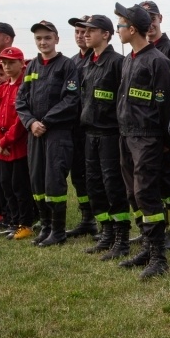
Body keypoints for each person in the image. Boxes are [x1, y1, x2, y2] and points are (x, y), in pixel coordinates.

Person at [113, 2, 170, 279]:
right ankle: (147, 245)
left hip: (148, 139)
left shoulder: (158, 61)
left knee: (147, 195)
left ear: (133, 29)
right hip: (126, 136)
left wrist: (164, 139)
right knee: (133, 194)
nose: (118, 31)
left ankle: (158, 256)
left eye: (120, 26)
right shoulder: (129, 59)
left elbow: (166, 105)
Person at [15, 21, 80, 247]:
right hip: (35, 134)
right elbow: (20, 100)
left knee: (54, 182)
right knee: (37, 180)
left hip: (57, 133)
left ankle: (58, 231)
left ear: (57, 40)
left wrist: (46, 121)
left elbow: (71, 99)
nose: (43, 42)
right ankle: (45, 227)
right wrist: (31, 122)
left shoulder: (66, 66)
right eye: (39, 39)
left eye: (47, 38)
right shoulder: (32, 67)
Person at [76, 15, 132, 261]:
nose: (86, 34)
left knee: (113, 186)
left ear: (107, 34)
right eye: (85, 31)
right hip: (90, 134)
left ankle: (122, 238)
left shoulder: (117, 63)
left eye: (92, 30)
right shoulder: (87, 63)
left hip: (110, 134)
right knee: (94, 185)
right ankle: (106, 232)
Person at [140, 0, 170, 251]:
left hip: (166, 133)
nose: (150, 22)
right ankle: (156, 230)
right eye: (145, 18)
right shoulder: (139, 52)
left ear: (160, 18)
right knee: (152, 184)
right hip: (146, 133)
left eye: (153, 17)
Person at [0, 47, 34, 240]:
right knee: (6, 184)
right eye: (4, 63)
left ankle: (25, 223)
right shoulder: (4, 87)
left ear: (21, 64)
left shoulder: (24, 86)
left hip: (18, 147)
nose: (6, 67)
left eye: (11, 63)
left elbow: (21, 120)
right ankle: (14, 221)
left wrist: (6, 140)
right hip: (3, 148)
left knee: (20, 186)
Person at [65, 15, 98, 239]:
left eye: (84, 31)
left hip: (95, 129)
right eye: (77, 31)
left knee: (96, 176)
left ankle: (101, 217)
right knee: (78, 175)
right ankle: (87, 218)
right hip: (75, 129)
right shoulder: (71, 63)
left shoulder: (101, 59)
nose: (80, 36)